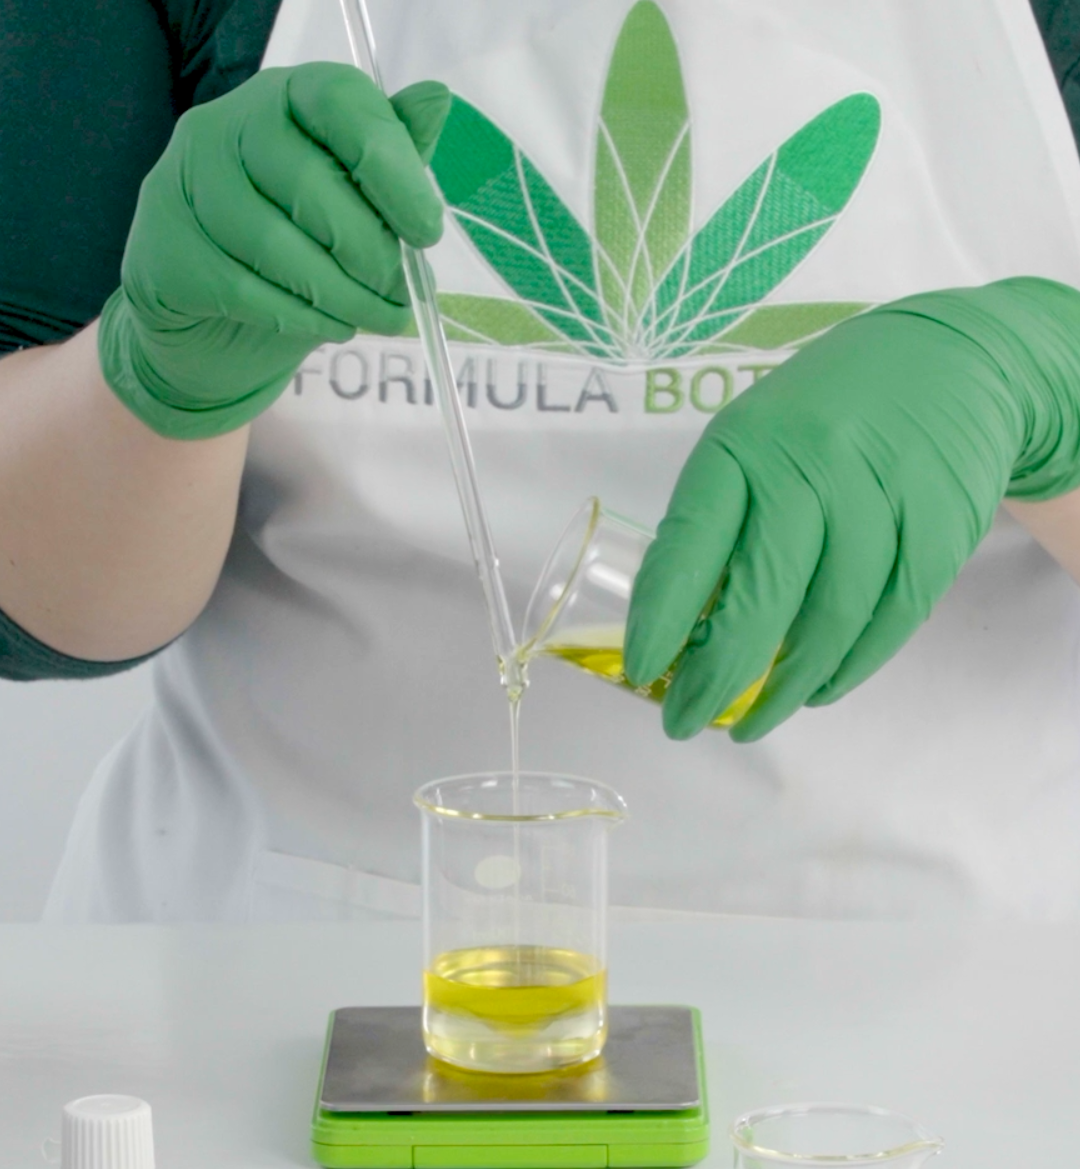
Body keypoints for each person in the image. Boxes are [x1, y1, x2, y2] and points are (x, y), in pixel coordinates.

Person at [4, 0, 1080, 921]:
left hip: (953, 993)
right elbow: (35, 607)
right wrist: (150, 379)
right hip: (270, 972)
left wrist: (1047, 386)